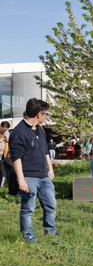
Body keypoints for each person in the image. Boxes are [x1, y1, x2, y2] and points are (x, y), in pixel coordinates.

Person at [10, 98, 57, 242]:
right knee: (28, 209)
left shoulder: (40, 130)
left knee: (51, 206)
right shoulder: (18, 132)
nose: (46, 117)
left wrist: (50, 169)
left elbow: (45, 151)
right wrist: (21, 179)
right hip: (29, 177)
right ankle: (28, 236)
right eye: (45, 114)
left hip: (44, 176)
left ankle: (50, 231)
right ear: (38, 114)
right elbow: (16, 158)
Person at [0, 121, 10, 188]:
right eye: (4, 128)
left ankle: (2, 185)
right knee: (2, 171)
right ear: (1, 126)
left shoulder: (6, 132)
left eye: (6, 129)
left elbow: (8, 137)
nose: (5, 130)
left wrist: (3, 138)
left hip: (3, 153)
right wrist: (2, 139)